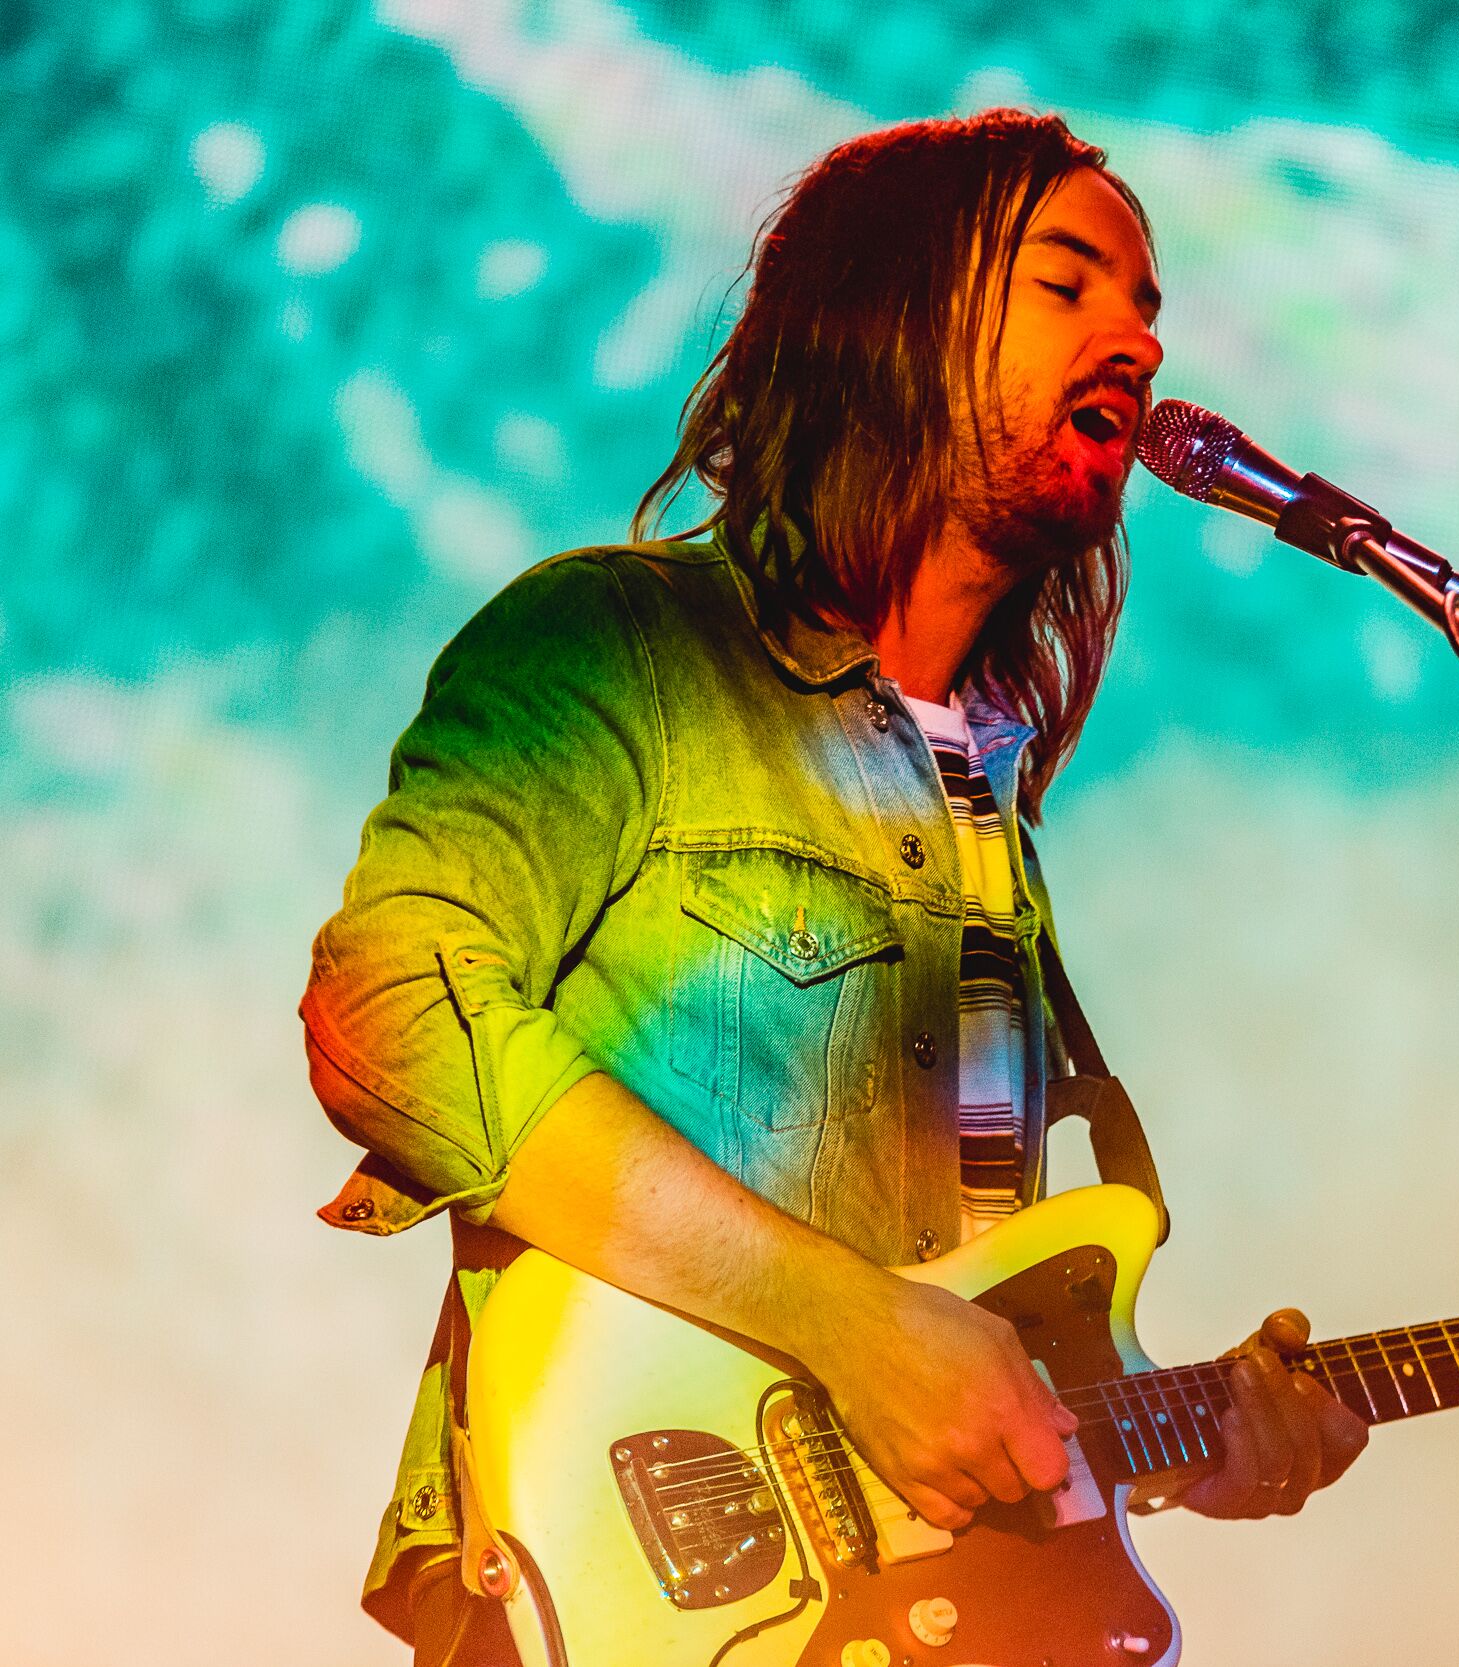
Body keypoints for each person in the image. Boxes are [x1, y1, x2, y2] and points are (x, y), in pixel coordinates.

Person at [301, 108, 1368, 1664]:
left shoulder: (987, 783)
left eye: (1147, 305)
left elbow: (970, 1334)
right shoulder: (624, 647)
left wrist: (1188, 1433)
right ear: (894, 318)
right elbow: (390, 1005)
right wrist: (841, 1321)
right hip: (621, 1577)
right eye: (1071, 284)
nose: (1135, 338)